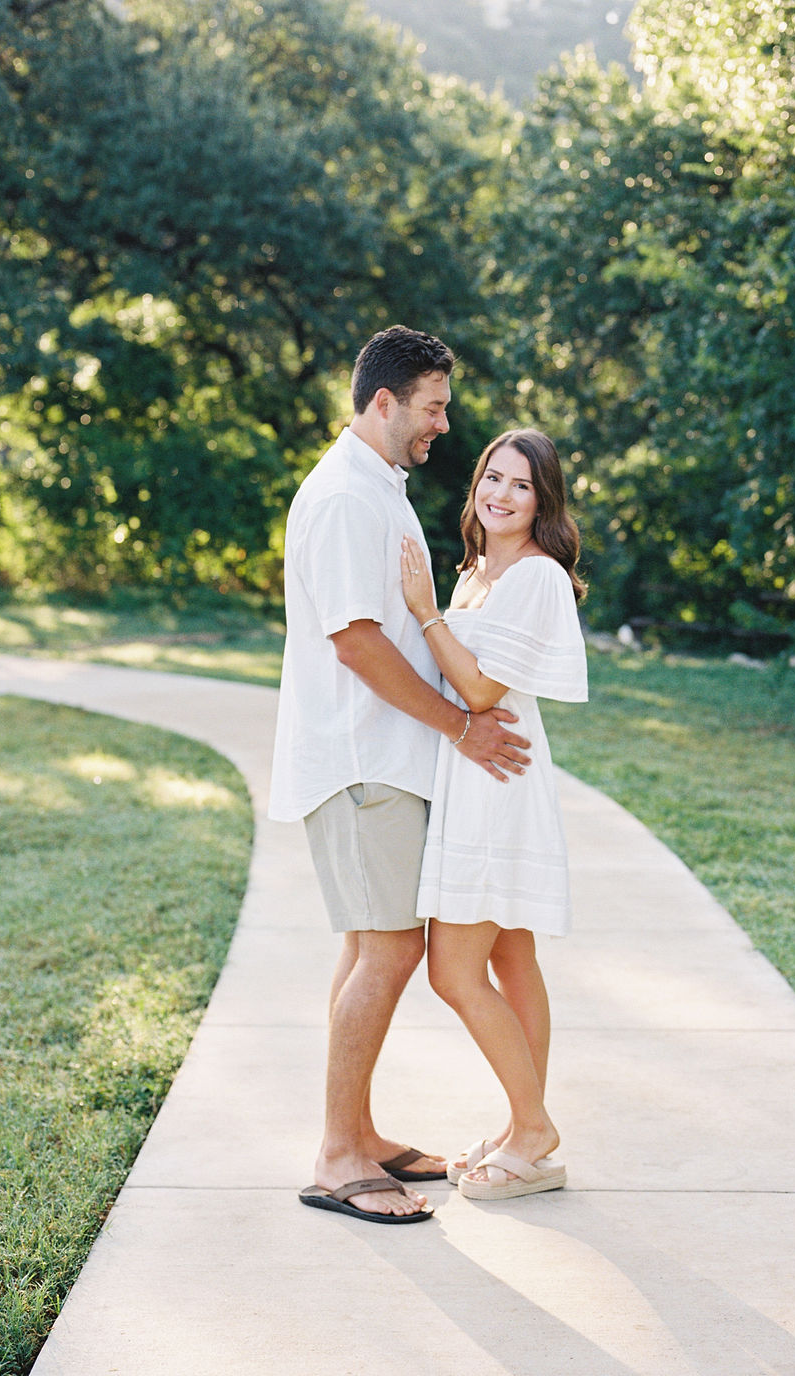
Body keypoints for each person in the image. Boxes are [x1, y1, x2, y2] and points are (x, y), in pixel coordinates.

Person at [268, 326, 532, 1225]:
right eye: (433, 406)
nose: (444, 424)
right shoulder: (346, 497)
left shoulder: (376, 487)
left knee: (366, 945)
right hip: (359, 759)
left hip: (380, 758)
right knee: (390, 948)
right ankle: (338, 1156)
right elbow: (354, 641)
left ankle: (361, 1133)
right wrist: (461, 726)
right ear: (384, 402)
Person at [399, 427, 588, 1200]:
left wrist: (423, 612)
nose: (501, 495)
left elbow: (480, 693)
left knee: (454, 970)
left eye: (521, 485)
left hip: (498, 785)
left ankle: (534, 1128)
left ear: (542, 501)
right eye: (492, 478)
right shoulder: (480, 570)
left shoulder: (537, 575)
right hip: (475, 775)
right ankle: (525, 1135)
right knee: (511, 961)